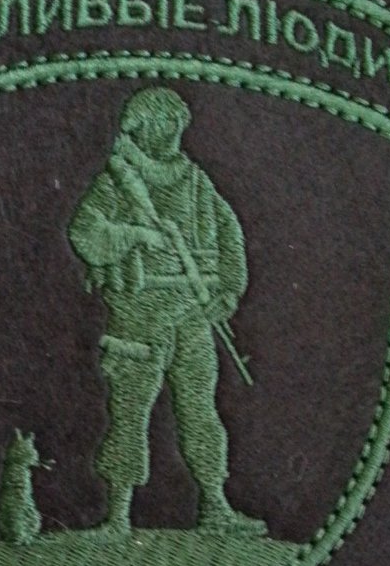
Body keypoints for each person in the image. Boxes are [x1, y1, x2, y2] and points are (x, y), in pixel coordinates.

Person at [68, 87, 267, 536]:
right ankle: (117, 515)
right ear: (146, 126)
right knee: (130, 410)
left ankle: (215, 505)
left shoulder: (195, 181)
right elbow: (85, 230)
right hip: (138, 313)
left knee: (201, 409)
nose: (175, 132)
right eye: (166, 123)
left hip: (192, 313)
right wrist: (137, 235)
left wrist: (228, 292)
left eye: (178, 123)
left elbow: (228, 233)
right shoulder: (118, 179)